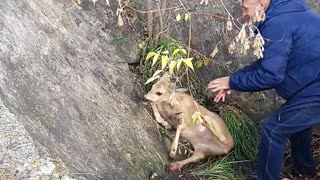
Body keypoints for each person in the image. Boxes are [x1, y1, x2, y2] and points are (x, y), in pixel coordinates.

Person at [208, 0, 320, 179]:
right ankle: (305, 171)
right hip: (311, 86)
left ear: (260, 3)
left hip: (316, 89)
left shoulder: (277, 23)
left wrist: (232, 82)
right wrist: (232, 80)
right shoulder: (287, 13)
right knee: (296, 123)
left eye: (245, 7)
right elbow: (266, 64)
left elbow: (270, 75)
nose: (243, 13)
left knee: (273, 129)